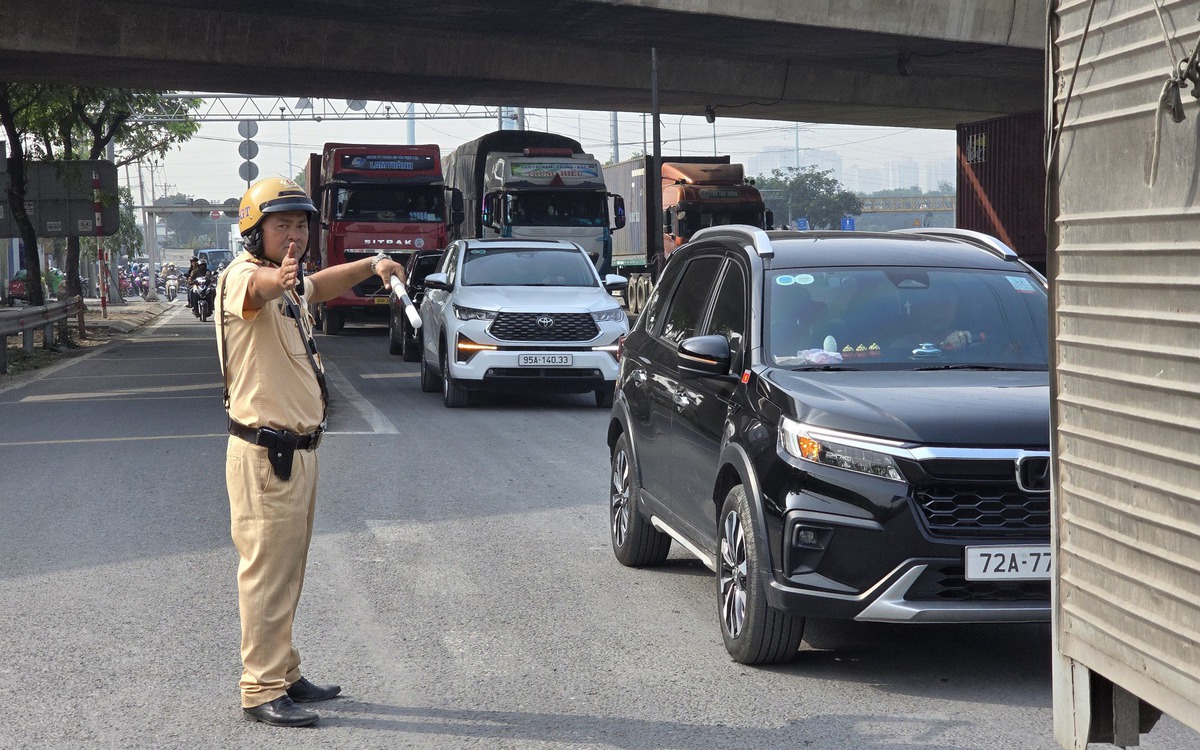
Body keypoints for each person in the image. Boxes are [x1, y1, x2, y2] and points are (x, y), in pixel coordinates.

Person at [215, 177, 405, 728]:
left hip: (297, 452)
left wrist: (372, 264)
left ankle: (285, 670)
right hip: (263, 454)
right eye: (282, 226)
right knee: (266, 574)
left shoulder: (291, 283)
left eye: (301, 225)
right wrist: (279, 277)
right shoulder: (243, 277)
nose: (294, 235)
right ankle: (261, 688)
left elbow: (315, 286)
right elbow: (261, 290)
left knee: (289, 570)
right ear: (255, 232)